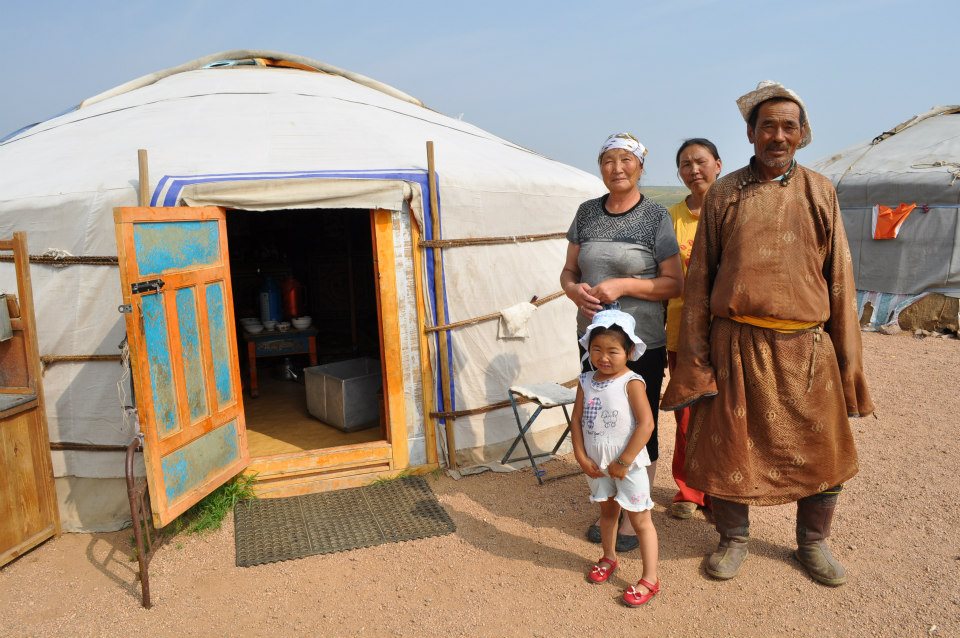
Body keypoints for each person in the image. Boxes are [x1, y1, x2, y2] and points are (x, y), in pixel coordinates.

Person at [661, 81, 874, 586]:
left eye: (788, 127)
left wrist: (849, 364)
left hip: (806, 348)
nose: (778, 136)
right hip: (735, 345)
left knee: (823, 449)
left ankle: (812, 543)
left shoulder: (820, 190)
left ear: (802, 134)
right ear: (751, 134)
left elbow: (839, 277)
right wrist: (695, 359)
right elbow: (700, 281)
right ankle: (732, 539)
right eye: (768, 126)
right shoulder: (724, 194)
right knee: (730, 446)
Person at [561, 133, 684, 551]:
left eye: (626, 160)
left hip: (639, 344)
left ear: (640, 167)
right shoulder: (586, 213)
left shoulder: (655, 216)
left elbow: (674, 283)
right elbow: (569, 272)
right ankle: (609, 504)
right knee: (599, 420)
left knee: (639, 423)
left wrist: (623, 284)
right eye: (608, 160)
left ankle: (636, 516)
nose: (617, 168)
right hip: (594, 342)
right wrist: (574, 291)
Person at [570, 309, 660, 607]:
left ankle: (650, 578)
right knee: (607, 513)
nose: (604, 357)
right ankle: (609, 557)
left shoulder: (631, 382)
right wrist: (580, 456)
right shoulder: (585, 380)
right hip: (596, 464)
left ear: (629, 351)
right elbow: (576, 420)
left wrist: (623, 462)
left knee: (640, 520)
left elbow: (646, 424)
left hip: (627, 465)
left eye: (613, 351)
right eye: (597, 349)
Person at [665, 139, 722, 520]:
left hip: (727, 331)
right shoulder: (671, 217)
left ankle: (720, 489)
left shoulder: (733, 210)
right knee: (686, 413)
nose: (693, 170)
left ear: (718, 164)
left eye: (700, 161)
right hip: (681, 331)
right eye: (685, 164)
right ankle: (688, 490)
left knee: (724, 414)